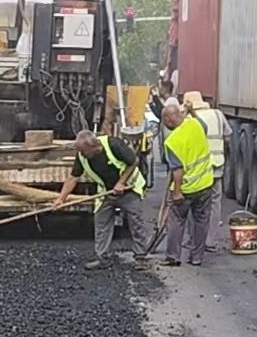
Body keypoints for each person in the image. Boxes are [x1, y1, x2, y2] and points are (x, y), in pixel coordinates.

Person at [52, 130, 152, 270]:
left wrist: (121, 183)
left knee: (136, 222)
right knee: (101, 223)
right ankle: (102, 257)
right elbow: (73, 177)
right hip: (106, 192)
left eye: (83, 151)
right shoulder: (82, 156)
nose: (81, 154)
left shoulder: (113, 145)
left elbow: (133, 161)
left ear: (93, 146)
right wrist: (61, 199)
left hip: (129, 189)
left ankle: (140, 257)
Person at [160, 103, 217, 267]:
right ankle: (197, 257)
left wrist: (177, 192)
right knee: (201, 222)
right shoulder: (195, 124)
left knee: (176, 222)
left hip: (186, 189)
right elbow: (204, 126)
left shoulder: (172, 142)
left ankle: (173, 257)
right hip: (205, 185)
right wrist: (192, 112)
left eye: (164, 120)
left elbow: (177, 170)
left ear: (169, 119)